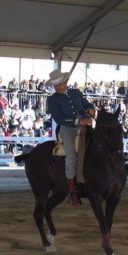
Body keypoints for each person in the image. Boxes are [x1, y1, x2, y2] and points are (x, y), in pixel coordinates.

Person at [46, 69, 95, 205]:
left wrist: (91, 108)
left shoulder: (76, 92)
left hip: (85, 123)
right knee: (71, 155)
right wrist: (78, 121)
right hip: (67, 128)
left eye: (59, 84)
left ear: (65, 82)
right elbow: (59, 118)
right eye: (55, 85)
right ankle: (73, 190)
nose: (57, 87)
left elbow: (86, 104)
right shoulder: (52, 99)